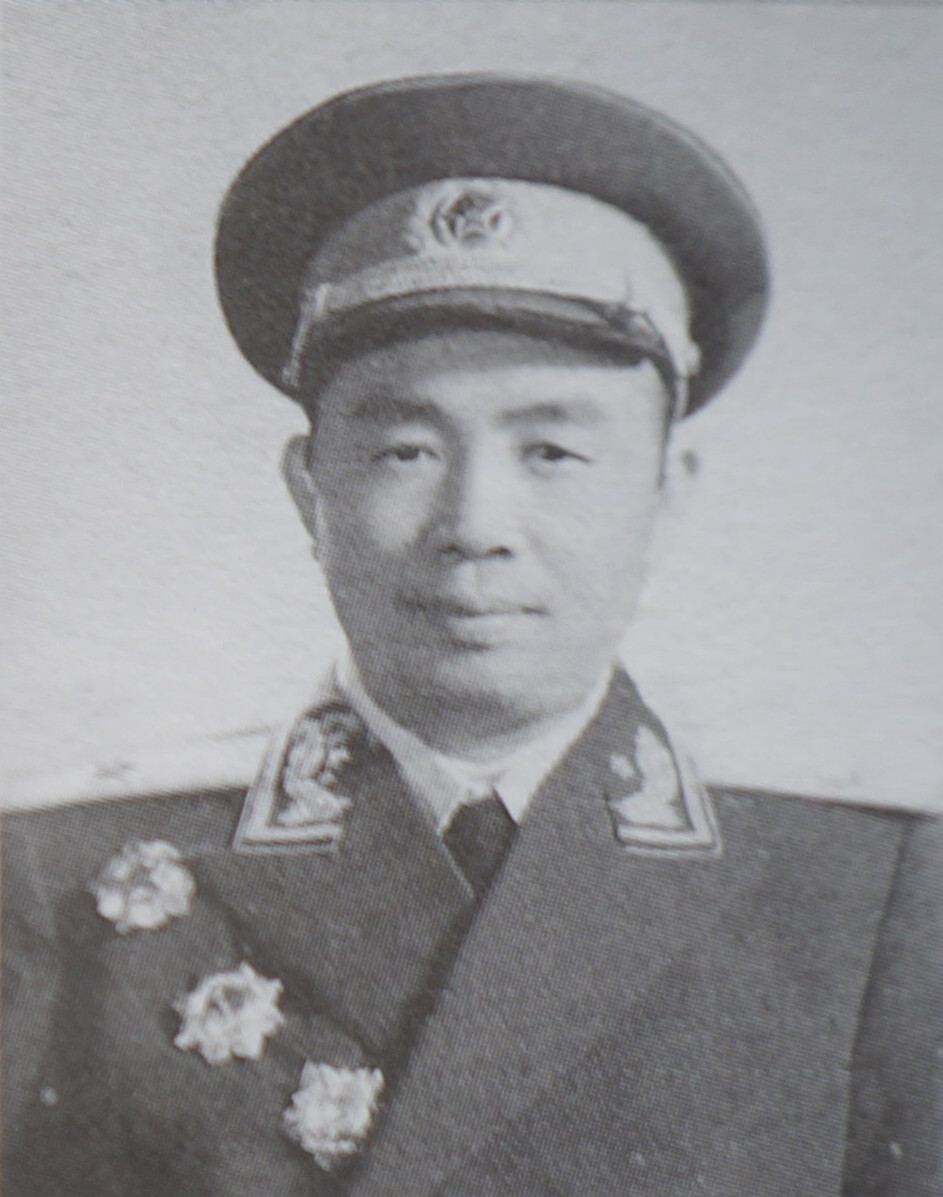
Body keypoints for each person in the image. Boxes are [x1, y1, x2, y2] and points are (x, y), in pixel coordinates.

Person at [2, 74, 940, 1197]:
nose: (475, 526)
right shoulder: (59, 874)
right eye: (405, 451)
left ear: (665, 495)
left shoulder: (860, 892)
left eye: (553, 453)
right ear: (310, 492)